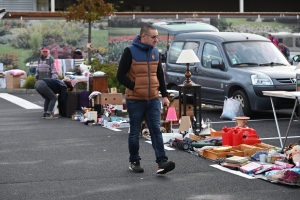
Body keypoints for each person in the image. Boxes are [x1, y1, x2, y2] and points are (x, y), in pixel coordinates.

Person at [117, 24, 175, 174]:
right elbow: (120, 75)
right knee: (135, 132)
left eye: (157, 36)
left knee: (156, 130)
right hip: (135, 100)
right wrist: (134, 86)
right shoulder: (129, 51)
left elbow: (160, 76)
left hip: (153, 99)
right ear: (144, 37)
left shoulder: (156, 52)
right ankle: (134, 161)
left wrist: (164, 96)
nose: (157, 39)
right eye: (154, 37)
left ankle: (162, 162)